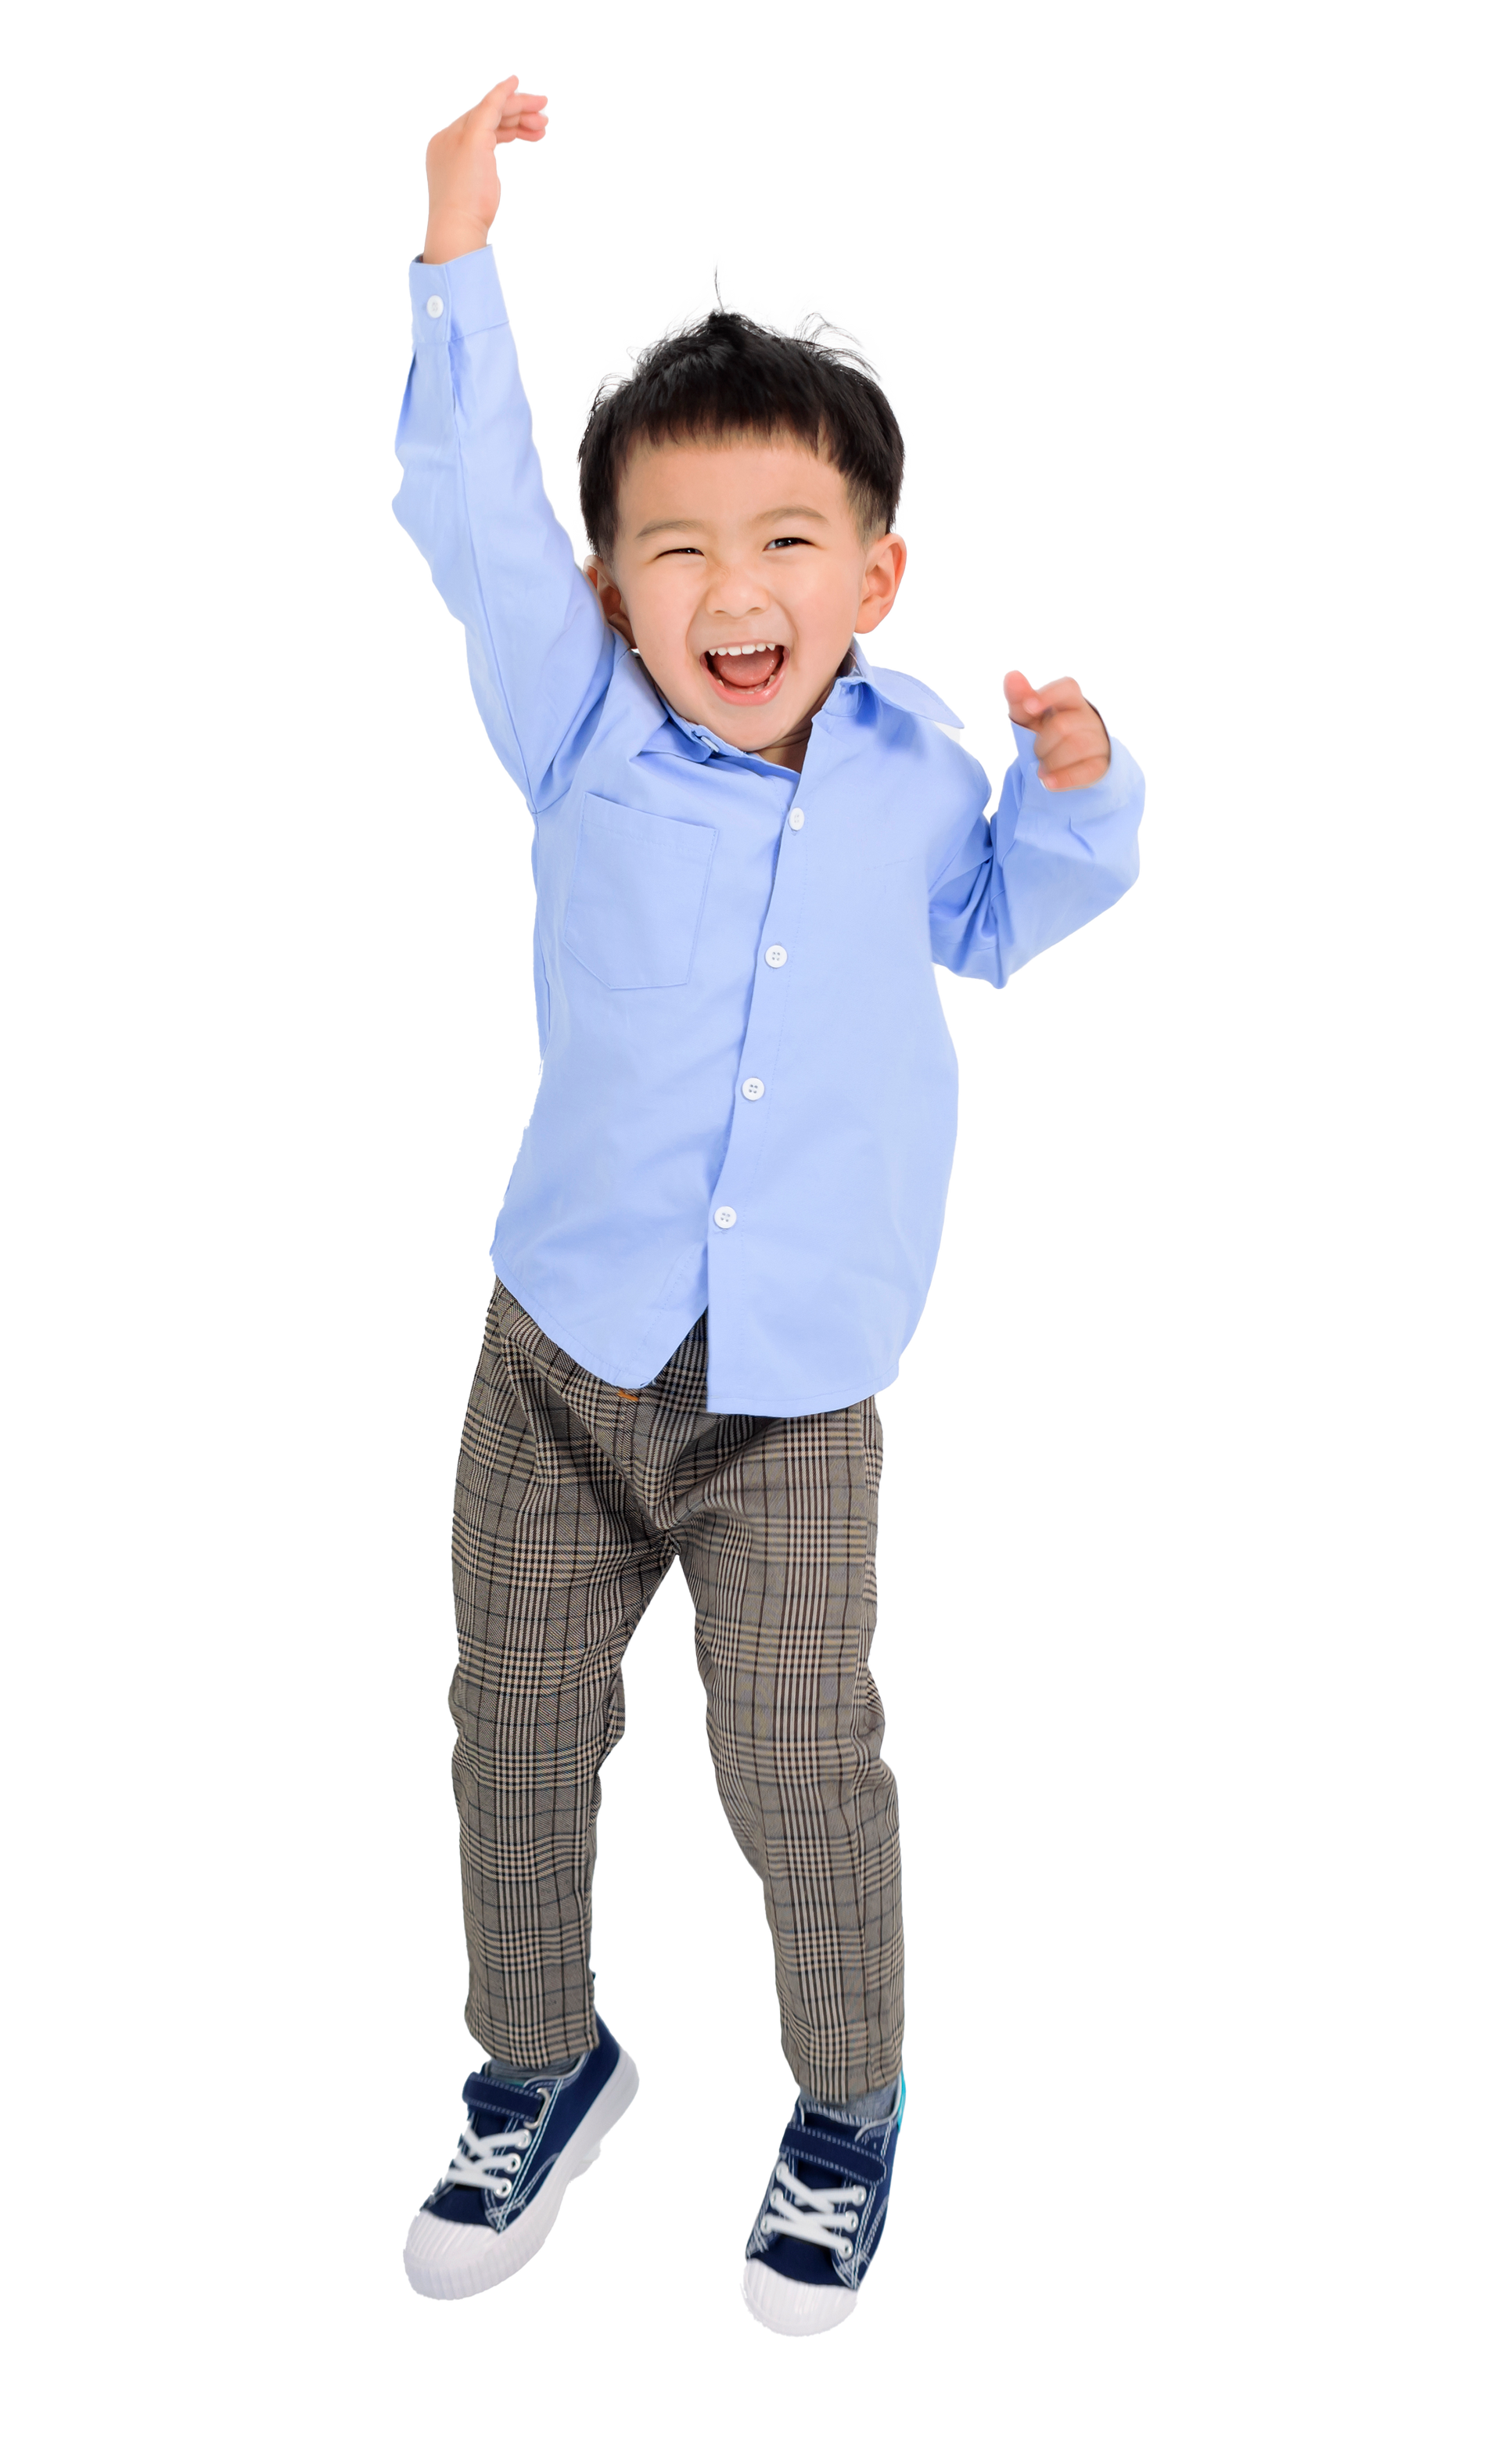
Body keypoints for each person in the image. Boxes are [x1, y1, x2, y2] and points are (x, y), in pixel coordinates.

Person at [390, 73, 1148, 2341]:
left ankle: (846, 2102)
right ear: (612, 583)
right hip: (558, 1352)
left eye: (790, 540)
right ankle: (540, 2058)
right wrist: (454, 248)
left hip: (802, 1384)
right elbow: (464, 511)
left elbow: (1013, 920)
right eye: (679, 551)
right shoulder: (577, 719)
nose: (736, 590)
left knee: (802, 1745)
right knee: (510, 1719)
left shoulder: (921, 761)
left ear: (882, 570)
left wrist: (1083, 793)